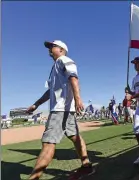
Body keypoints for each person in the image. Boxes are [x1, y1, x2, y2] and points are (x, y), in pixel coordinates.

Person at [27, 40, 94, 180]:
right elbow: (50, 91)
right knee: (75, 137)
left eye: (52, 46)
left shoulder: (64, 60)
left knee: (48, 143)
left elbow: (74, 78)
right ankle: (87, 166)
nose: (49, 49)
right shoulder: (55, 67)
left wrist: (78, 99)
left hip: (60, 109)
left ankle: (33, 178)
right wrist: (36, 104)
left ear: (62, 49)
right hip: (65, 109)